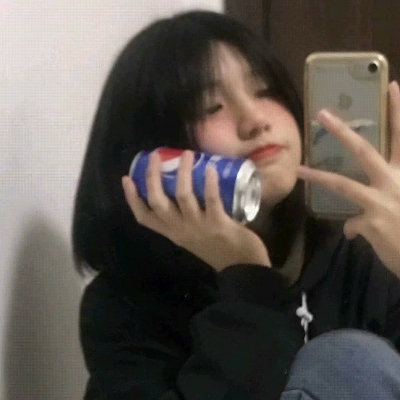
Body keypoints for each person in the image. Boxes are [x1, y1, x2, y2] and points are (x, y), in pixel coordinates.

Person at [72, 9, 400, 400]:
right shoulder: (126, 305)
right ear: (158, 154)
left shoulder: (364, 255)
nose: (255, 119)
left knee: (349, 360)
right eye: (210, 107)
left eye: (264, 90)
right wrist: (247, 282)